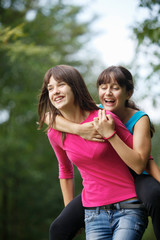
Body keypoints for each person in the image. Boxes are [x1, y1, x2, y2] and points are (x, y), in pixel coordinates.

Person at [46, 66, 160, 240]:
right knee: (59, 228)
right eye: (103, 87)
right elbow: (49, 117)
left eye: (115, 88)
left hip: (136, 175)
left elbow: (144, 162)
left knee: (154, 195)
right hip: (102, 185)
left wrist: (110, 134)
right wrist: (79, 129)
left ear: (128, 93)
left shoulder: (138, 119)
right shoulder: (98, 114)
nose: (108, 93)